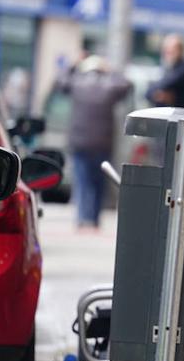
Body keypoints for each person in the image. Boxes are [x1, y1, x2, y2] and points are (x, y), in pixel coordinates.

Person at [54, 54, 131, 230]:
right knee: (99, 183)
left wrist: (73, 64)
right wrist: (111, 70)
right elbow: (127, 84)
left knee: (81, 181)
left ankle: (82, 218)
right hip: (103, 143)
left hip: (80, 142)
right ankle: (94, 219)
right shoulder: (111, 85)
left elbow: (60, 81)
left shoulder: (77, 83)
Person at [146, 34, 184, 109]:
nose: (168, 52)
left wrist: (161, 95)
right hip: (164, 114)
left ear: (181, 50)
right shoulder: (166, 69)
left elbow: (167, 83)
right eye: (166, 49)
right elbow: (148, 93)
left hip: (182, 115)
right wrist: (160, 95)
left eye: (172, 50)